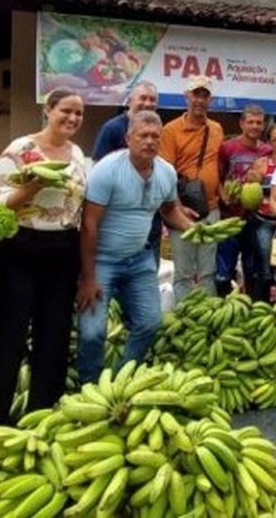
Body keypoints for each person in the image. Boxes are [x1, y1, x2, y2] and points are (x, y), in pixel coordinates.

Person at [0, 88, 87, 452]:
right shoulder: (19, 151)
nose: (73, 119)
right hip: (17, 247)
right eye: (66, 111)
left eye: (79, 114)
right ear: (48, 110)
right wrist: (32, 186)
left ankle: (42, 422)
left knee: (54, 339)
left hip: (63, 250)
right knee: (6, 339)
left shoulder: (77, 153)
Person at [77, 111, 196, 384]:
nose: (150, 141)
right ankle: (89, 387)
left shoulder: (166, 172)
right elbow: (89, 224)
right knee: (92, 332)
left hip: (139, 260)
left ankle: (120, 383)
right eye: (143, 135)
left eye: (156, 136)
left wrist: (193, 229)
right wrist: (88, 277)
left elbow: (170, 211)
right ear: (129, 138)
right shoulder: (107, 170)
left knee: (150, 323)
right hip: (102, 262)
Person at [159, 75, 225, 301]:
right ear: (186, 96)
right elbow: (166, 173)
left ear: (210, 99)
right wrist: (177, 207)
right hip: (183, 209)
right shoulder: (171, 130)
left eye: (205, 95)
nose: (200, 100)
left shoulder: (216, 128)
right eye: (196, 94)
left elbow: (220, 166)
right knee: (184, 273)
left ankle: (207, 319)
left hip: (211, 208)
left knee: (208, 271)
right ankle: (184, 320)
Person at [90, 81, 162, 263]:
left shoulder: (158, 129)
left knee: (147, 270)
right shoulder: (112, 128)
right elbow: (97, 168)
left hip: (149, 216)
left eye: (152, 99)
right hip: (118, 218)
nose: (147, 103)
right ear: (130, 100)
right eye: (143, 98)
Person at [215, 105, 271, 296]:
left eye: (259, 122)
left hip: (255, 220)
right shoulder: (227, 148)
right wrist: (224, 196)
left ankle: (249, 311)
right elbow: (218, 177)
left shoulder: (266, 150)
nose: (255, 126)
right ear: (241, 123)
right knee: (224, 272)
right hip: (229, 218)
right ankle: (223, 309)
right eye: (250, 122)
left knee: (253, 271)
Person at [246, 122, 276, 301]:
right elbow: (250, 196)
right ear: (269, 143)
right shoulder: (261, 164)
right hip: (264, 221)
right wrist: (251, 181)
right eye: (275, 139)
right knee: (265, 266)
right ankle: (263, 307)